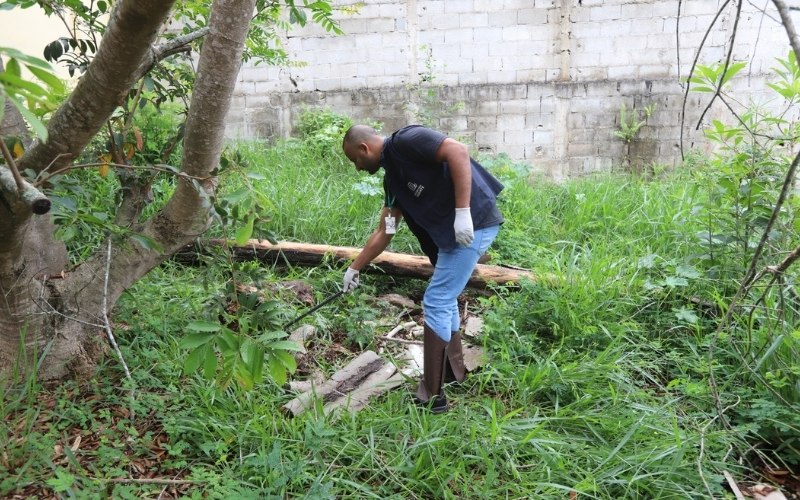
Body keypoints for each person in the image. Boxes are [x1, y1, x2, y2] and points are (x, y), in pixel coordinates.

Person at [341, 124, 504, 413]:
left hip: (474, 222)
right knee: (445, 298)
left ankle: (434, 396)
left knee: (437, 300)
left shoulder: (406, 141)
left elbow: (457, 150)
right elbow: (386, 231)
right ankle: (453, 374)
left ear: (364, 148)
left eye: (354, 159)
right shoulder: (393, 182)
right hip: (454, 236)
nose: (356, 167)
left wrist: (463, 212)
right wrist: (355, 267)